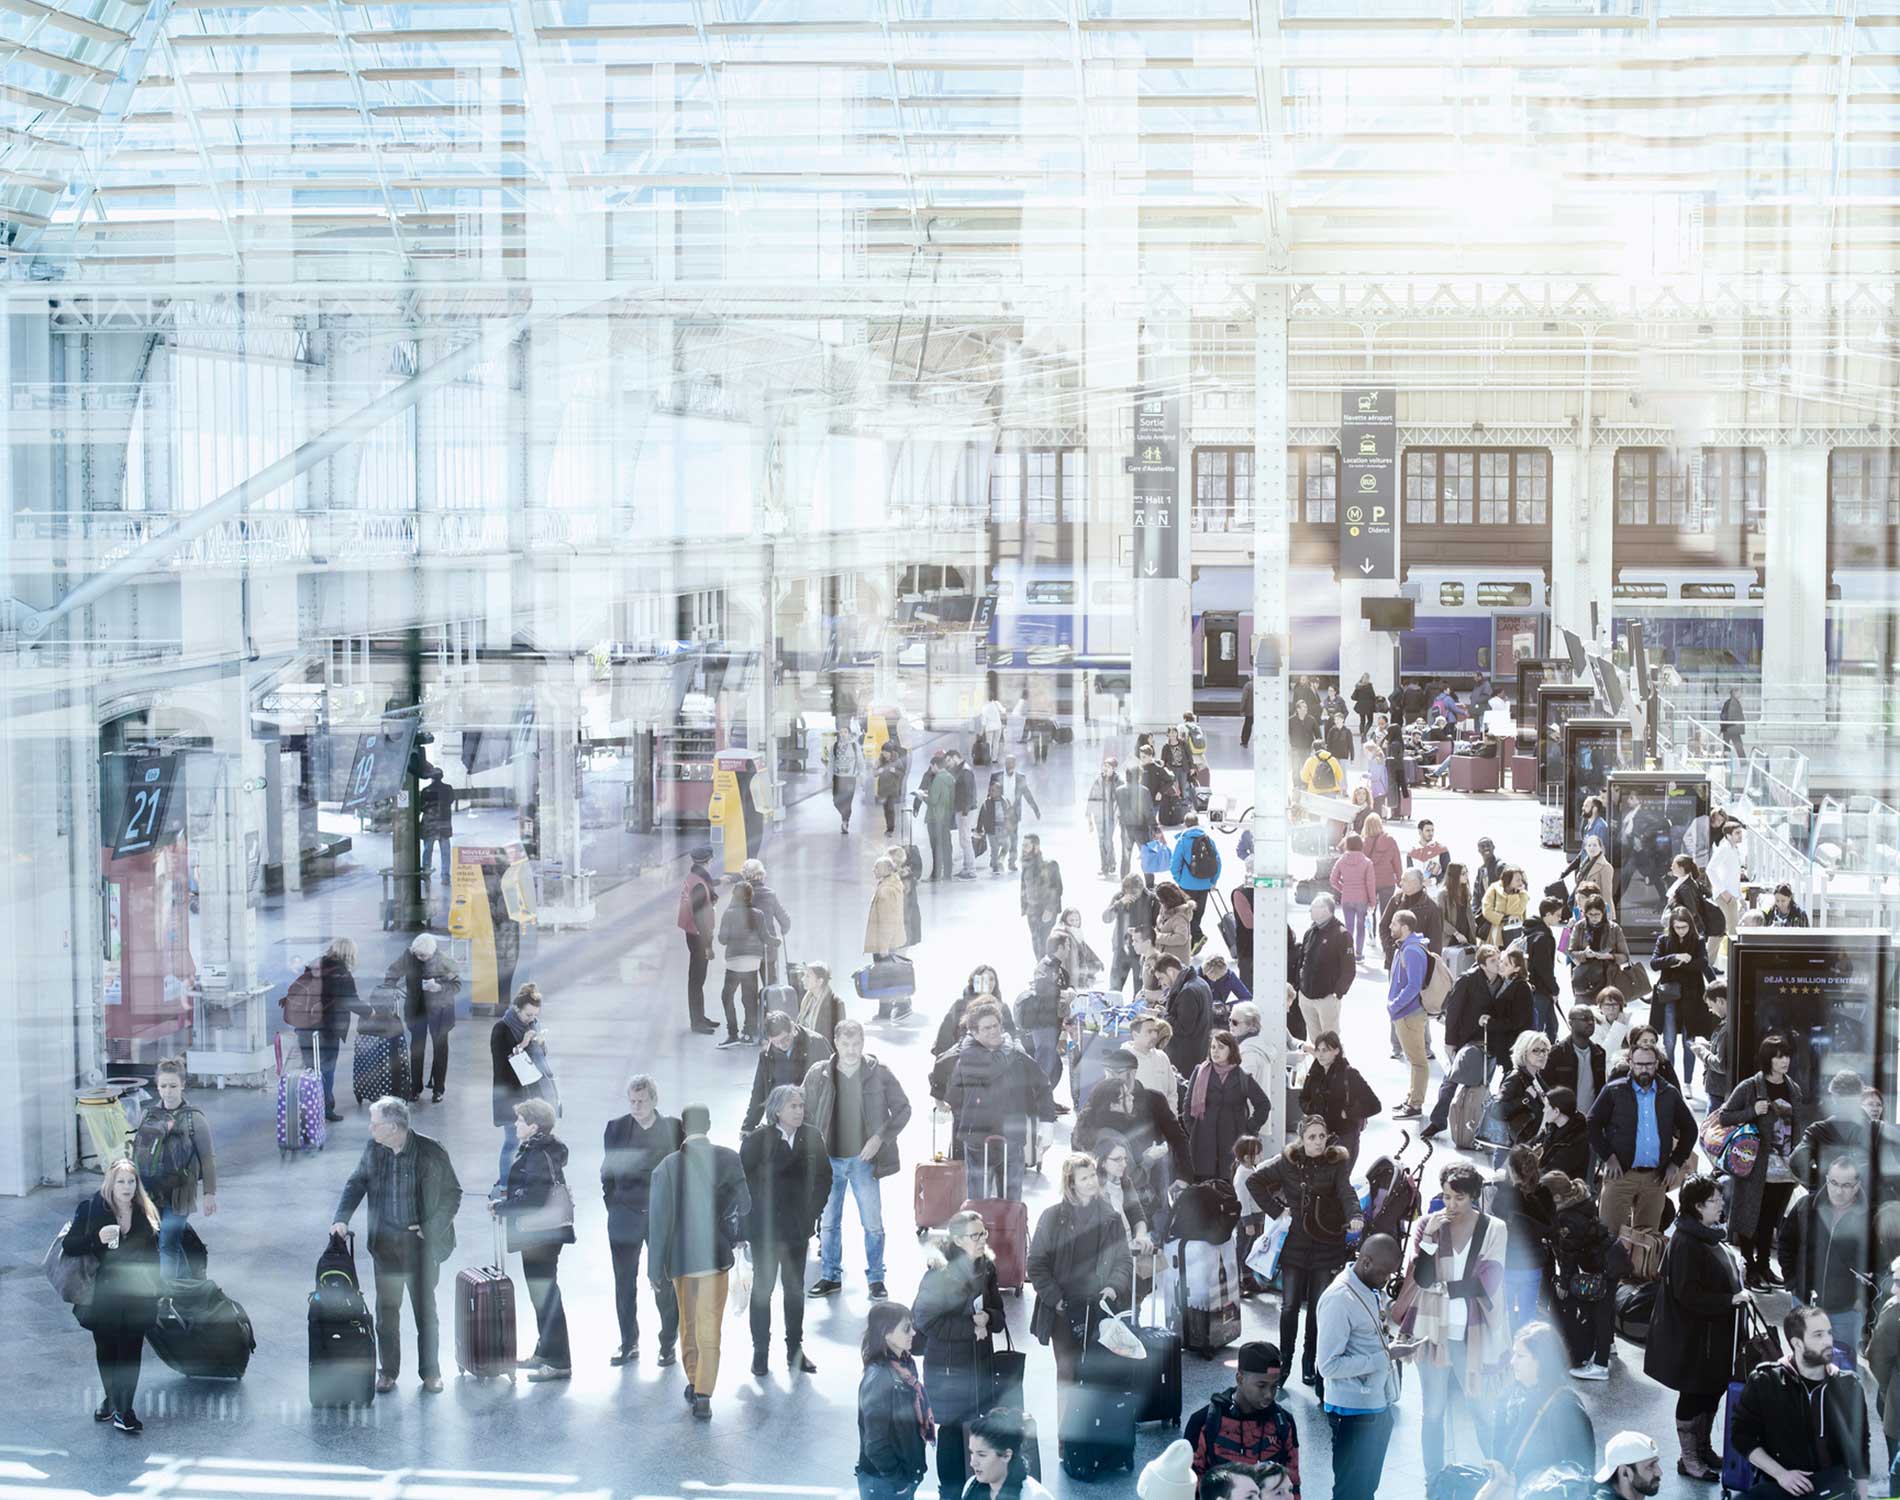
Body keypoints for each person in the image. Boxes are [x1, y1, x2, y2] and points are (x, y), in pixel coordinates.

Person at [330, 1095, 462, 1395]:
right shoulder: (375, 1149)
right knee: (387, 1311)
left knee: (425, 1312)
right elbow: (356, 1182)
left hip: (420, 1246)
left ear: (392, 1127)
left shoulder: (431, 1152)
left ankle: (431, 1373)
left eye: (375, 1125)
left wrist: (430, 1228)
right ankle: (388, 1372)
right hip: (385, 1244)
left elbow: (453, 1193)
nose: (370, 1130)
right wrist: (341, 1218)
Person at [1398, 1161, 1511, 1476]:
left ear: (1473, 1196)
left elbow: (1488, 1280)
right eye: (1447, 1196)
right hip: (1432, 1333)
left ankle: (1496, 1476)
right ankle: (1433, 1481)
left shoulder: (1494, 1228)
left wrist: (1443, 1288)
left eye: (1459, 1198)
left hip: (1471, 1334)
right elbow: (1421, 1278)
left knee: (1481, 1410)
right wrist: (1430, 1241)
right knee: (1432, 1412)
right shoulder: (1428, 1224)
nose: (1451, 1204)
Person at [646, 1103, 750, 1420]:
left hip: (681, 1261)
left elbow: (659, 1223)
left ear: (683, 1127)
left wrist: (654, 1269)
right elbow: (745, 1205)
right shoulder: (729, 1158)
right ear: (709, 1124)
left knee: (687, 1325)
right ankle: (704, 1393)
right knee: (711, 1330)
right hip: (715, 1257)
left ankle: (693, 1381)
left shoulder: (666, 1167)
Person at [1644, 1173, 1747, 1480]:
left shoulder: (1707, 1233)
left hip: (1712, 1337)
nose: (1721, 1205)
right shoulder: (1687, 1241)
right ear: (1699, 1206)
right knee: (1693, 1394)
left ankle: (1702, 1449)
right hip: (1693, 1338)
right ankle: (1689, 1458)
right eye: (1716, 1200)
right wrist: (1729, 1300)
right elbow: (1688, 1294)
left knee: (1711, 1390)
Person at [1250, 1116, 1363, 1389]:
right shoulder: (1287, 1162)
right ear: (1302, 1138)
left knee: (1317, 1308)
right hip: (1295, 1245)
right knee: (1289, 1307)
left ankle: (1309, 1360)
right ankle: (1284, 1360)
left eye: (1322, 1137)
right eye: (1312, 1137)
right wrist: (1277, 1211)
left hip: (1326, 1244)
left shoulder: (1336, 1163)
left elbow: (1347, 1193)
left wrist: (1356, 1215)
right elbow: (1254, 1181)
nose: (1317, 1142)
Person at [805, 1019, 911, 1301]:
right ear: (836, 1043)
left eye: (856, 1044)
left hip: (864, 1161)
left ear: (863, 1043)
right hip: (828, 1162)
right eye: (845, 1044)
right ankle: (830, 1276)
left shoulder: (880, 1073)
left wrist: (879, 1138)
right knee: (828, 1223)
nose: (851, 1050)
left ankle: (876, 1279)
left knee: (872, 1223)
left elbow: (903, 1109)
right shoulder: (818, 1074)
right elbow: (803, 1112)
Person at [1026, 1154, 1134, 1429]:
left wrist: (1113, 1287)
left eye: (1092, 1176)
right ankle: (1066, 1435)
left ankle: (1093, 1431)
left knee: (1097, 1373)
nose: (1091, 1182)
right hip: (1063, 1309)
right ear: (1070, 1183)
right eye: (1083, 1178)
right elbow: (1036, 1264)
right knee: (1067, 1372)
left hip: (1099, 1307)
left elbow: (1123, 1260)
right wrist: (1056, 1299)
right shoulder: (1052, 1217)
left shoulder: (1110, 1217)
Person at [1733, 1305, 1871, 1500]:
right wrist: (1781, 1474)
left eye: (1829, 1333)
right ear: (1797, 1343)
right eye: (1818, 1335)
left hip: (1831, 1486)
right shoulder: (1765, 1381)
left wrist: (1862, 1495)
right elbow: (1742, 1437)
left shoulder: (1849, 1384)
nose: (1828, 1341)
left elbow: (1860, 1445)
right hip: (1780, 1484)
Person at [739, 1084, 831, 1376]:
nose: (799, 1111)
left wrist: (812, 1212)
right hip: (764, 1231)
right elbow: (740, 1185)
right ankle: (759, 1353)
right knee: (762, 1292)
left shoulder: (812, 1136)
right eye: (793, 1106)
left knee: (794, 1291)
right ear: (776, 1110)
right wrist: (743, 1229)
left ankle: (795, 1351)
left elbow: (825, 1178)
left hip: (796, 1230)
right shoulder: (757, 1141)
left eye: (801, 1106)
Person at [66, 1157, 162, 1433]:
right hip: (103, 1298)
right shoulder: (91, 1208)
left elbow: (154, 1257)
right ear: (110, 1183)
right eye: (121, 1181)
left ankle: (125, 1410)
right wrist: (97, 1239)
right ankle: (112, 1399)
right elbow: (71, 1246)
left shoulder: (145, 1211)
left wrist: (158, 1289)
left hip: (137, 1296)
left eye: (131, 1181)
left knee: (130, 1353)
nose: (127, 1187)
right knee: (107, 1351)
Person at [1316, 1234, 1414, 1500]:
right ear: (1366, 1262)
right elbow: (1328, 1366)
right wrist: (1385, 1356)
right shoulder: (1338, 1299)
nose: (1387, 1281)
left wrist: (1393, 1345)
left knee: (1366, 1491)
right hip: (1353, 1414)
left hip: (1376, 1406)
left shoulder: (1369, 1287)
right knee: (1351, 1493)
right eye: (1384, 1274)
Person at [914, 1211, 1005, 1497]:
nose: (982, 1240)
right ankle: (950, 1493)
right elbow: (925, 1320)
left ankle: (976, 1487)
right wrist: (970, 1327)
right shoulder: (939, 1273)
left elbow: (1000, 1315)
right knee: (951, 1431)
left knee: (978, 1428)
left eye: (984, 1234)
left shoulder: (986, 1267)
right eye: (975, 1235)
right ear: (957, 1239)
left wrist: (988, 1318)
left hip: (978, 1362)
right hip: (948, 1367)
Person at [602, 1073, 684, 1366]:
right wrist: (613, 1206)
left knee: (663, 1280)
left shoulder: (674, 1129)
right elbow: (607, 1173)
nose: (636, 1106)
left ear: (654, 1100)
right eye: (632, 1101)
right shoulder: (616, 1129)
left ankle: (667, 1343)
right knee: (624, 1282)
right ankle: (628, 1343)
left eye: (642, 1101)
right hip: (624, 1216)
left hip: (661, 1218)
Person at [491, 1097, 574, 1381]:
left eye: (521, 1121)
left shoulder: (538, 1153)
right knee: (543, 1293)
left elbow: (535, 1197)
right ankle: (545, 1352)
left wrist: (503, 1206)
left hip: (540, 1235)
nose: (516, 1124)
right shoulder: (541, 1147)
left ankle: (559, 1361)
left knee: (546, 1295)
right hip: (544, 1234)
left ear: (534, 1125)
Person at [944, 1001, 1060, 1203]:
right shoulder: (970, 1055)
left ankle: (1011, 1235)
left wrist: (1047, 1122)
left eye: (996, 1025)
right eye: (986, 1028)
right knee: (978, 1203)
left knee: (1012, 1203)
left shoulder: (1017, 1054)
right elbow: (956, 1095)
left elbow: (1042, 1084)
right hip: (978, 1142)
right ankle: (978, 1235)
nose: (993, 1031)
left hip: (1012, 1139)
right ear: (974, 1032)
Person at [1714, 1032, 1804, 1290]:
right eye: (1777, 1057)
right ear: (1767, 1060)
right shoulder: (1751, 1086)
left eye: (1786, 1055)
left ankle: (1764, 1264)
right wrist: (1752, 1111)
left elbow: (1797, 1123)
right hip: (1755, 1165)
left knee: (1770, 1218)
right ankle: (1749, 1266)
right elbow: (1724, 1117)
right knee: (1749, 1215)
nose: (1784, 1061)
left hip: (1784, 1167)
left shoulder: (1792, 1087)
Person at [1587, 1039, 1695, 1234]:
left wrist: (1675, 1162)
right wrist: (1608, 1157)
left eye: (1649, 1064)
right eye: (1639, 1064)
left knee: (1645, 1242)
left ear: (1656, 1065)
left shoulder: (1669, 1093)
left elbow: (1690, 1129)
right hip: (1620, 1176)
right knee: (1608, 1237)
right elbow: (1592, 1124)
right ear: (1630, 1063)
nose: (1644, 1069)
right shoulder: (1614, 1090)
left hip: (1655, 1179)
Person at [130, 1056, 218, 1282]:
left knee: (167, 1242)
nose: (168, 1092)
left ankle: (167, 1295)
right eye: (163, 1086)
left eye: (173, 1086)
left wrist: (209, 1194)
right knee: (170, 1241)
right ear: (157, 1086)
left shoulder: (194, 1120)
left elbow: (207, 1159)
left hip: (181, 1194)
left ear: (183, 1085)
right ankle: (189, 1284)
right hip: (151, 1192)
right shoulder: (148, 1114)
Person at [1779, 1156, 1872, 1362]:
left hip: (1845, 1312)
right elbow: (1785, 1244)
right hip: (1803, 1304)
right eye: (1834, 1183)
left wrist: (1862, 1299)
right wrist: (1793, 1282)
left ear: (1857, 1186)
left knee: (1842, 1369)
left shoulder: (1869, 1219)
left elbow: (1879, 1265)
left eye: (1847, 1185)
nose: (1839, 1191)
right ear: (1827, 1179)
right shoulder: (1806, 1207)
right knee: (1803, 1362)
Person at [1491, 1321, 1596, 1484]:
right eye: (1514, 1354)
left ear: (1541, 1361)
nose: (1512, 1362)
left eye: (1520, 1356)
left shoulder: (1566, 1408)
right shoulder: (1511, 1394)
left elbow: (1581, 1472)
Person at [1184, 1340, 1302, 1482]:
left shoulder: (1284, 1423)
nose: (1269, 1395)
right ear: (1240, 1378)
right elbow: (1190, 1484)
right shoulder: (1203, 1423)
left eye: (1274, 1386)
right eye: (1261, 1385)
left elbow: (1292, 1481)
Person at [1422, 944, 1504, 1139]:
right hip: (1465, 1039)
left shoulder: (1502, 981)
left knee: (1483, 1085)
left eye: (1499, 960)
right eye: (1493, 961)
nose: (1498, 964)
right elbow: (1453, 1012)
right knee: (1451, 1080)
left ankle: (1477, 1127)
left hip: (1489, 1040)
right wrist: (1450, 1041)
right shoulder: (1468, 979)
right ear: (1483, 964)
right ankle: (1438, 1120)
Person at [1543, 1171, 1618, 1380]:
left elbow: (1568, 1254)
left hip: (1602, 1266)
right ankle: (1608, 1347)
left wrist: (1564, 1284)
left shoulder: (1567, 1218)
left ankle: (1600, 1365)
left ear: (1556, 1198)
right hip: (1611, 1260)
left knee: (1601, 1314)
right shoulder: (1582, 1202)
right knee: (1606, 1310)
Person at [857, 1299, 933, 1500]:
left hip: (902, 1474)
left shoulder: (906, 1362)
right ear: (886, 1333)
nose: (914, 1333)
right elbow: (875, 1444)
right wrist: (899, 1483)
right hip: (884, 1482)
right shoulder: (879, 1379)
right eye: (906, 1329)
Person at [1073, 1048, 1187, 1175]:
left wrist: (1183, 1177)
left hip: (1151, 1179)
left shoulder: (1154, 1100)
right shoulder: (1100, 1096)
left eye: (1116, 1072)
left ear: (1132, 1073)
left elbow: (1178, 1140)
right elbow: (1078, 1137)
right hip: (1111, 1182)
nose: (1110, 1077)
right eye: (1107, 1072)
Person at [488, 982, 557, 1187]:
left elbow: (540, 1061)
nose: (532, 1019)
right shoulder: (501, 1029)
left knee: (530, 1143)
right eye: (528, 1014)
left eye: (535, 1015)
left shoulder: (532, 1025)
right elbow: (502, 1068)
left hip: (533, 1096)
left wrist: (541, 1046)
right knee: (512, 1142)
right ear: (517, 1009)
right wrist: (522, 1046)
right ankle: (505, 1185)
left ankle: (523, 1184)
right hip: (511, 1096)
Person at [385, 933, 460, 1104]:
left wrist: (439, 987)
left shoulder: (444, 961)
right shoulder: (410, 955)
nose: (420, 958)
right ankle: (415, 1088)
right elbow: (392, 972)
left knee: (440, 1051)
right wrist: (391, 987)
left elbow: (457, 985)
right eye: (417, 955)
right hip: (417, 1009)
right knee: (416, 1050)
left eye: (424, 956)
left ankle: (439, 1089)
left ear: (433, 953)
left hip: (441, 1011)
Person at [1186, 1030, 1271, 1182]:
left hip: (1232, 1142)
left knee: (1230, 1189)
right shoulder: (1200, 1072)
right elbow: (1187, 1106)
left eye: (1220, 1047)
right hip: (1203, 1142)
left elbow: (1263, 1104)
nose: (1215, 1051)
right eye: (1212, 1047)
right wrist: (1193, 1130)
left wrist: (1249, 1128)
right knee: (1204, 1191)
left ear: (1231, 1049)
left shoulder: (1241, 1076)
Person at [288, 938, 357, 1121]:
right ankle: (324, 1108)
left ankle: (309, 1106)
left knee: (311, 1069)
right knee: (327, 1069)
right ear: (348, 955)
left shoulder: (314, 966)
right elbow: (351, 1001)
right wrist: (371, 1013)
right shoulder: (341, 974)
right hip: (328, 1029)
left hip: (304, 1026)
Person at [1297, 1031, 1381, 1169]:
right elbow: (1303, 1098)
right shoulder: (1314, 1073)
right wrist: (1312, 1110)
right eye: (1318, 1050)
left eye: (1325, 1050)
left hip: (1344, 1136)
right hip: (1319, 1136)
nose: (1320, 1054)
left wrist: (1347, 1113)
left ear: (1336, 1051)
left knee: (1339, 1181)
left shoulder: (1350, 1074)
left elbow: (1374, 1105)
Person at [1386, 911, 1431, 1119]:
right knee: (1414, 1060)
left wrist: (1395, 1005)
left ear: (1404, 927)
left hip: (1409, 1014)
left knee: (1419, 1062)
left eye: (1394, 923)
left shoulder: (1412, 951)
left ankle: (1415, 1105)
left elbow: (1413, 986)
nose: (1390, 927)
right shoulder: (1405, 947)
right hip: (1403, 1013)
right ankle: (1411, 1098)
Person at [1294, 894, 1355, 1040]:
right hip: (1306, 996)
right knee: (1315, 1039)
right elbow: (1302, 960)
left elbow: (1349, 969)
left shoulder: (1341, 934)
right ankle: (1319, 1063)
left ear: (1325, 910)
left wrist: (1337, 993)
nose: (1310, 910)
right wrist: (1300, 987)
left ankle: (1336, 1063)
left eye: (1313, 907)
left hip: (1327, 998)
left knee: (1330, 1040)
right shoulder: (1310, 932)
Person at [717, 880, 768, 1048]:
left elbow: (722, 940)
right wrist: (777, 942)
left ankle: (733, 1033)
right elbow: (765, 937)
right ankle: (749, 1032)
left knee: (727, 996)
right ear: (750, 896)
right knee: (749, 998)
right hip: (753, 962)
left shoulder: (729, 913)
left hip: (735, 962)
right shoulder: (758, 914)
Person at [964, 1408, 1056, 1500]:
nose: (973, 1463)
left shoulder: (1035, 1496)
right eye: (972, 1452)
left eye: (981, 1455)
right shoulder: (971, 1486)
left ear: (1006, 1455)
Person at [678, 845, 720, 1035]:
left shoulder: (694, 877)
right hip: (698, 937)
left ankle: (700, 1017)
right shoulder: (700, 885)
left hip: (692, 934)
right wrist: (708, 945)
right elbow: (700, 917)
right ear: (709, 861)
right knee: (696, 980)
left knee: (697, 979)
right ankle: (697, 1022)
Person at [1543, 1004, 1606, 1121]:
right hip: (1564, 1120)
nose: (1590, 1023)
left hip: (1592, 1119)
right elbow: (1546, 1089)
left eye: (1592, 1019)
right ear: (1571, 1023)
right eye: (1585, 1019)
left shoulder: (1599, 1053)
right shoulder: (1556, 1053)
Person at [1156, 953, 1215, 1075]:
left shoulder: (1187, 992)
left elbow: (1183, 1028)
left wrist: (1162, 1016)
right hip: (1197, 1053)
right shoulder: (1200, 982)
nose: (1161, 983)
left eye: (1161, 978)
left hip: (1185, 1060)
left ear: (1171, 972)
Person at [1171, 816, 1223, 946]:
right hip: (1205, 884)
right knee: (1198, 914)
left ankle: (1197, 938)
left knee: (1186, 914)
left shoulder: (1182, 841)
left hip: (1186, 885)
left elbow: (1174, 865)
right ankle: (1194, 941)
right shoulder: (1208, 840)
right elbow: (1218, 862)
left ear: (1185, 825)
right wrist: (1212, 881)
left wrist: (1179, 880)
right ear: (1198, 824)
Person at [1381, 867, 1444, 969]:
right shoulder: (1396, 900)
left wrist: (1430, 968)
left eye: (1404, 880)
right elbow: (1383, 926)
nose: (1400, 883)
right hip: (1395, 960)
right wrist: (1389, 948)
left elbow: (1435, 941)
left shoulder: (1431, 908)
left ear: (1415, 883)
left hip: (1417, 963)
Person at [1499, 1031, 1554, 1148]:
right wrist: (1525, 1099)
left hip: (1533, 1143)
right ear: (1523, 1053)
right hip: (1515, 1146)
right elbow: (1497, 1109)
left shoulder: (1536, 1077)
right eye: (1535, 1050)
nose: (1542, 1054)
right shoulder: (1515, 1077)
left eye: (1544, 1050)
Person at [1328, 835, 1378, 963]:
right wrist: (1373, 901)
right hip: (1362, 899)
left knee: (1349, 926)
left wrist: (1343, 888)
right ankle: (1359, 954)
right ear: (1361, 845)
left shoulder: (1341, 860)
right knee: (1361, 926)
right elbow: (1370, 884)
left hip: (1347, 898)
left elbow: (1333, 879)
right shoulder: (1367, 862)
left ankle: (1348, 953)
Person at [1521, 896, 1564, 1038]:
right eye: (1557, 915)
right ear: (1548, 915)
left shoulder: (1532, 930)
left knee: (1550, 1026)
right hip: (1541, 989)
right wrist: (1554, 988)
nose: (1560, 918)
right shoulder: (1543, 937)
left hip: (1537, 987)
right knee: (1544, 1029)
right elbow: (1544, 968)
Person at [1019, 833, 1063, 959]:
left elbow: (1057, 888)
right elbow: (1024, 887)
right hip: (1032, 911)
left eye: (1027, 846)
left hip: (1046, 910)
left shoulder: (1050, 865)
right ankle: (1041, 970)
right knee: (1036, 941)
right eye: (1023, 846)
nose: (1024, 849)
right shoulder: (1026, 866)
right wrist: (1025, 908)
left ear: (1036, 847)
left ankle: (1047, 971)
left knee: (1044, 941)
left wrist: (1049, 909)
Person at [1129, 1014, 1183, 1111]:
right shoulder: (1123, 1058)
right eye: (1149, 1031)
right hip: (1134, 1121)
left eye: (1156, 1031)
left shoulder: (1162, 1057)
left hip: (1162, 1121)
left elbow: (1172, 1093)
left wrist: (1171, 1118)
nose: (1154, 1036)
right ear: (1135, 1035)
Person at [1534, 1088, 1589, 1182]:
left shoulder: (1577, 1137)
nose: (1543, 1110)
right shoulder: (1551, 1128)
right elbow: (1530, 1146)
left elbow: (1554, 1170)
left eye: (1546, 1107)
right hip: (1544, 1182)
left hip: (1563, 1189)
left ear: (1556, 1111)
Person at [1359, 813, 1404, 929]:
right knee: (1386, 913)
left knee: (1370, 911)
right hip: (1388, 882)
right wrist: (1400, 880)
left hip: (1369, 883)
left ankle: (1372, 937)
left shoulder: (1362, 843)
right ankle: (1386, 936)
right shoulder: (1390, 840)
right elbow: (1397, 863)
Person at [418, 765, 455, 890]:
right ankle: (445, 877)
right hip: (444, 825)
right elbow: (450, 801)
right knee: (445, 852)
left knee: (427, 851)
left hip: (430, 825)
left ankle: (426, 874)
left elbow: (421, 807)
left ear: (431, 778)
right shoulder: (448, 789)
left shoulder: (425, 791)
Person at [1086, 755, 1123, 878]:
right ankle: (1105, 866)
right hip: (1099, 816)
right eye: (1104, 765)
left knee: (1107, 840)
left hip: (1112, 816)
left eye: (1108, 766)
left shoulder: (1119, 781)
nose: (1105, 768)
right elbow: (1091, 797)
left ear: (1114, 768)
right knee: (1101, 841)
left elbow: (1123, 800)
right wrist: (1089, 818)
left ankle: (1111, 863)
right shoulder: (1098, 780)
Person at [866, 856, 908, 959]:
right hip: (893, 941)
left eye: (876, 868)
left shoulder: (886, 891)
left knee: (882, 973)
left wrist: (884, 947)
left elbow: (886, 921)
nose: (873, 870)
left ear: (886, 869)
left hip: (884, 945)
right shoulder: (894, 883)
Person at [923, 752, 956, 882]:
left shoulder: (938, 779)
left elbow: (933, 800)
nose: (931, 769)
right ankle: (948, 873)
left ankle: (936, 874)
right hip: (946, 816)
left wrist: (924, 796)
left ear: (936, 766)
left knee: (936, 846)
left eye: (932, 767)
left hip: (935, 818)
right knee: (946, 845)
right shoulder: (950, 778)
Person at [830, 723, 866, 835]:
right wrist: (828, 778)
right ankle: (844, 816)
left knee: (847, 802)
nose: (843, 734)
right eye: (841, 732)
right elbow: (831, 763)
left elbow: (861, 763)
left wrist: (862, 778)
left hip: (850, 778)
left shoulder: (855, 746)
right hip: (838, 778)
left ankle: (845, 821)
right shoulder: (834, 746)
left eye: (845, 732)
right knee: (836, 801)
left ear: (849, 733)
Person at [1482, 866, 1530, 947]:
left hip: (1515, 931)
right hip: (1496, 933)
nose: (1521, 883)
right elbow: (1487, 911)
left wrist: (1514, 894)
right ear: (1509, 880)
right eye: (1518, 880)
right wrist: (1504, 918)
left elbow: (1516, 913)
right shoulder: (1494, 889)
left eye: (1521, 879)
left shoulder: (1523, 894)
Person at [1439, 863, 1478, 953]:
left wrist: (1474, 929)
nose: (1466, 876)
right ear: (1455, 876)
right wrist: (1455, 933)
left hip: (1467, 937)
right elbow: (1440, 919)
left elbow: (1469, 916)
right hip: (1450, 939)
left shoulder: (1465, 892)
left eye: (1467, 872)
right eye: (1463, 873)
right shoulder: (1443, 894)